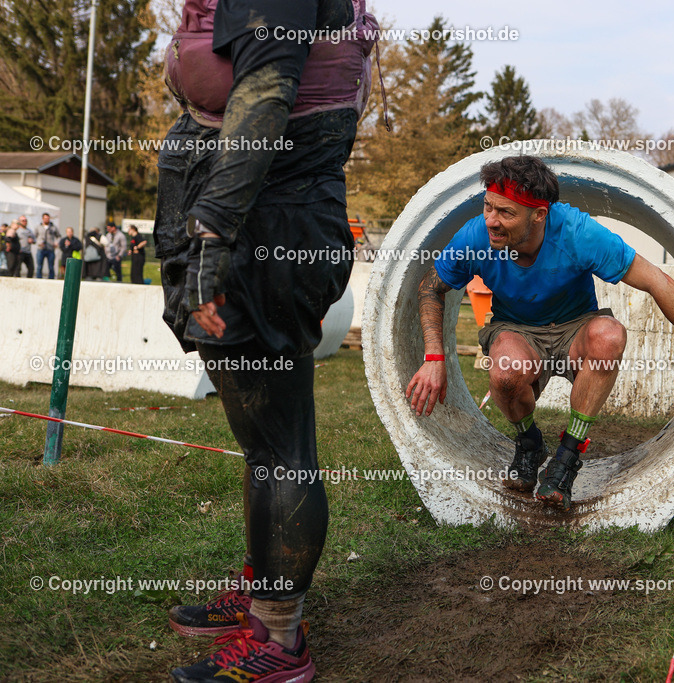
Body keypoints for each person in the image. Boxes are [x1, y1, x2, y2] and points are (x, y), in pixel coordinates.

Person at [155, 0, 377, 680]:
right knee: (265, 438)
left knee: (280, 444)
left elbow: (268, 88)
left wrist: (215, 233)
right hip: (260, 213)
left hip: (264, 223)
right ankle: (265, 590)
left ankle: (281, 641)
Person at [406, 155, 674, 511]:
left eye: (506, 213)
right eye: (488, 206)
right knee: (504, 372)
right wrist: (433, 357)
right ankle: (530, 443)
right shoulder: (476, 236)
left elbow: (658, 281)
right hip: (516, 328)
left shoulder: (578, 233)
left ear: (539, 214)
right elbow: (431, 287)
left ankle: (568, 456)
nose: (491, 220)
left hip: (576, 327)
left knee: (609, 334)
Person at [35, 213, 61, 279]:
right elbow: (34, 237)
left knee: (51, 266)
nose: (47, 219)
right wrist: (39, 242)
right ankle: (39, 278)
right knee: (39, 266)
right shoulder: (38, 227)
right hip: (41, 249)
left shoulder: (53, 227)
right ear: (42, 219)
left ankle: (51, 279)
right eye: (45, 218)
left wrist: (56, 242)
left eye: (48, 218)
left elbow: (59, 236)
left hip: (50, 249)